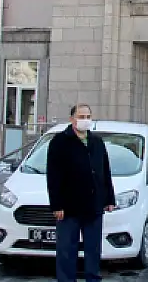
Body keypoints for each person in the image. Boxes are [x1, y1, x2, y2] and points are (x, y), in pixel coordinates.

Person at [46, 104, 116, 282]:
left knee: (93, 250)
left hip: (93, 206)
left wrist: (109, 198)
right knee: (67, 251)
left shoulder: (97, 142)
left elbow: (105, 171)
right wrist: (57, 204)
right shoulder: (60, 142)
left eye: (88, 116)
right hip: (69, 207)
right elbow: (53, 176)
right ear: (72, 119)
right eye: (81, 116)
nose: (85, 120)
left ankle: (93, 279)